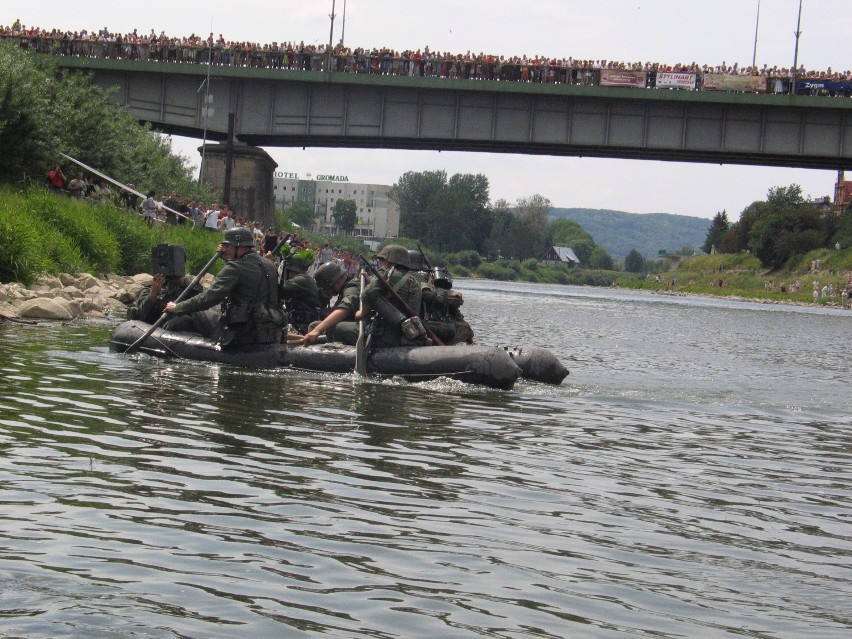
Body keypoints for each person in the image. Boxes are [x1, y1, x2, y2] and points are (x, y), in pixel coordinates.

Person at [164, 227, 286, 346]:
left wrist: (177, 307)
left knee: (194, 313)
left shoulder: (234, 268)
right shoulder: (269, 265)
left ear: (239, 246)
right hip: (270, 331)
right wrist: (227, 259)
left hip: (241, 333)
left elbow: (209, 298)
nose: (223, 249)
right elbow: (246, 275)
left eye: (228, 246)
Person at [356, 244, 426, 348]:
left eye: (381, 259)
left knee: (339, 328)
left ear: (390, 261)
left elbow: (368, 294)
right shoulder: (414, 282)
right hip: (408, 336)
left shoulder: (385, 272)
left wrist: (361, 313)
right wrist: (371, 280)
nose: (379, 263)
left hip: (384, 336)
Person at [128, 245, 205, 330]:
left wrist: (182, 282)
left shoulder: (189, 287)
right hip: (160, 328)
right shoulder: (149, 289)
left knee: (185, 319)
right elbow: (142, 316)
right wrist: (154, 292)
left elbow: (205, 298)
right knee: (180, 321)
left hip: (188, 328)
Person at [299, 261, 360, 345]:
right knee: (314, 325)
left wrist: (317, 330)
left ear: (337, 281)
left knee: (335, 329)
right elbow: (333, 312)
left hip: (365, 329)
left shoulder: (352, 286)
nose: (328, 291)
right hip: (356, 323)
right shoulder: (343, 290)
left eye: (328, 288)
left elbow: (345, 309)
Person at [278, 247, 322, 335]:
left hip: (303, 326)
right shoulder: (304, 279)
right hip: (301, 323)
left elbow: (277, 291)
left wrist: (268, 265)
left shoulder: (301, 280)